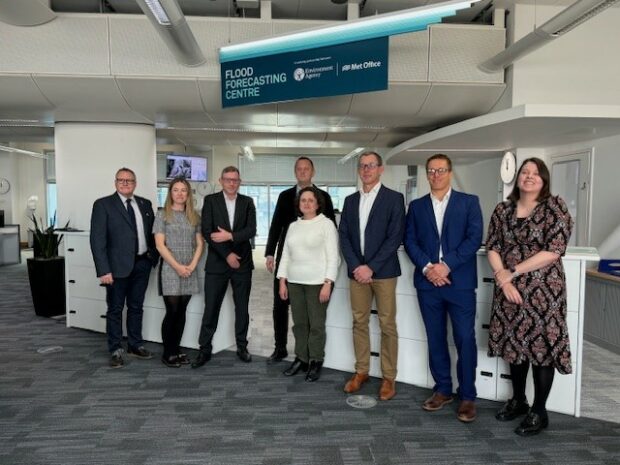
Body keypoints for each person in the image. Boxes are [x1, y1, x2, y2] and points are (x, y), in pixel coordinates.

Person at [486, 157, 573, 436]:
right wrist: (502, 277)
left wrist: (512, 271)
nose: (529, 176)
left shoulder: (554, 207)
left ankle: (539, 411)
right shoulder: (503, 209)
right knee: (514, 344)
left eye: (536, 173)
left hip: (544, 291)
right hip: (508, 289)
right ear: (517, 178)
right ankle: (519, 400)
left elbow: (555, 249)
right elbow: (493, 246)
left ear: (544, 179)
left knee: (542, 349)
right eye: (525, 172)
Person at [403, 154, 483, 423]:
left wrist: (445, 265)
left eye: (440, 170)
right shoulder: (416, 206)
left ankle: (468, 396)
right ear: (427, 175)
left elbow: (474, 239)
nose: (435, 175)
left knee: (464, 338)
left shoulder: (469, 202)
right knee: (435, 337)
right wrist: (428, 268)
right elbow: (410, 240)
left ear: (450, 172)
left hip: (458, 283)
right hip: (428, 284)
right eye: (431, 171)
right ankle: (443, 390)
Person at [339, 151, 405, 401]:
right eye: (362, 166)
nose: (366, 170)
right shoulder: (350, 200)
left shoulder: (394, 199)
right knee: (359, 322)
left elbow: (395, 236)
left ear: (381, 169)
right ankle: (362, 371)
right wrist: (357, 266)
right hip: (357, 273)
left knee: (387, 324)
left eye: (371, 166)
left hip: (384, 272)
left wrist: (371, 267)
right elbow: (343, 235)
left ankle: (389, 377)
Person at [265, 157, 335, 363]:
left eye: (306, 169)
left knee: (311, 315)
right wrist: (270, 252)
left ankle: (310, 356)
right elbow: (276, 225)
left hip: (314, 264)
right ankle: (280, 347)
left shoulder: (323, 197)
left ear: (313, 172)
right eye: (299, 169)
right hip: (288, 258)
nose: (302, 172)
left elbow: (331, 229)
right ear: (295, 172)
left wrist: (328, 276)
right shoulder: (285, 196)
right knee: (280, 304)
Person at [90, 167, 159, 368]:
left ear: (135, 183)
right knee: (115, 309)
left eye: (129, 180)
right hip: (116, 268)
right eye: (121, 180)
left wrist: (151, 257)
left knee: (137, 307)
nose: (125, 183)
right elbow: (97, 240)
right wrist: (103, 270)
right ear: (115, 182)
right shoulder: (103, 205)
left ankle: (135, 345)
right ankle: (115, 349)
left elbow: (152, 234)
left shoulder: (145, 204)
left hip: (142, 264)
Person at [192, 166, 256, 368]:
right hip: (218, 263)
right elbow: (207, 231)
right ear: (221, 181)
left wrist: (230, 236)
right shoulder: (211, 201)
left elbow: (251, 230)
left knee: (242, 308)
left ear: (240, 181)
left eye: (235, 180)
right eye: (228, 179)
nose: (231, 183)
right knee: (211, 307)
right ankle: (204, 349)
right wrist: (227, 254)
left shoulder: (248, 202)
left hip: (242, 263)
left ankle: (242, 346)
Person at [276, 187, 340, 382]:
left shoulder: (326, 224)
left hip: (317, 283)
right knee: (300, 324)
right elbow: (285, 255)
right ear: (299, 204)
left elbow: (333, 257)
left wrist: (328, 282)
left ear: (318, 203)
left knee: (316, 325)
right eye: (303, 200)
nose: (306, 203)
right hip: (295, 282)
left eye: (311, 200)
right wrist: (282, 281)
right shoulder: (293, 226)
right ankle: (301, 358)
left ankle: (315, 360)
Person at [153, 177, 204, 368]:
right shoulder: (162, 215)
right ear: (170, 193)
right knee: (172, 311)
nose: (180, 193)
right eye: (176, 190)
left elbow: (200, 243)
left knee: (182, 311)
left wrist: (191, 265)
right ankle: (168, 353)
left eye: (184, 190)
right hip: (170, 268)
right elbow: (159, 245)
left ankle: (177, 349)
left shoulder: (195, 216)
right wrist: (178, 267)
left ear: (188, 194)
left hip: (189, 268)